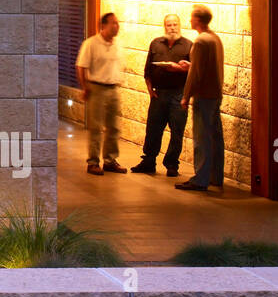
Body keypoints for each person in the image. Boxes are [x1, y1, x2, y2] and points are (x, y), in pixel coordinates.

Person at [130, 14, 192, 177]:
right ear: (164, 26)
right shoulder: (156, 43)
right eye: (169, 24)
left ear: (180, 25)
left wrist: (178, 69)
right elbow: (147, 69)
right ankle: (149, 161)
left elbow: (194, 71)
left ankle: (172, 164)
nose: (172, 27)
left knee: (177, 131)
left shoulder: (188, 46)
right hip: (159, 94)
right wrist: (150, 89)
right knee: (153, 129)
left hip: (178, 94)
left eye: (175, 24)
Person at [176, 4, 226, 192]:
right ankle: (215, 176)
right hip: (215, 94)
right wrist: (191, 65)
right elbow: (205, 67)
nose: (189, 20)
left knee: (201, 138)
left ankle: (200, 179)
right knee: (215, 137)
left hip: (203, 96)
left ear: (198, 19)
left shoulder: (200, 42)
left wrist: (186, 96)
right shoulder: (215, 39)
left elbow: (196, 74)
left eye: (191, 17)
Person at [76, 12, 126, 175]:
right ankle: (93, 162)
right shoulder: (91, 43)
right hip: (96, 88)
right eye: (113, 23)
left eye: (117, 23)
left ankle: (110, 160)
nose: (116, 26)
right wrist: (85, 87)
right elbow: (81, 66)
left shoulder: (118, 44)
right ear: (103, 25)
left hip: (114, 88)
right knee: (95, 127)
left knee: (114, 127)